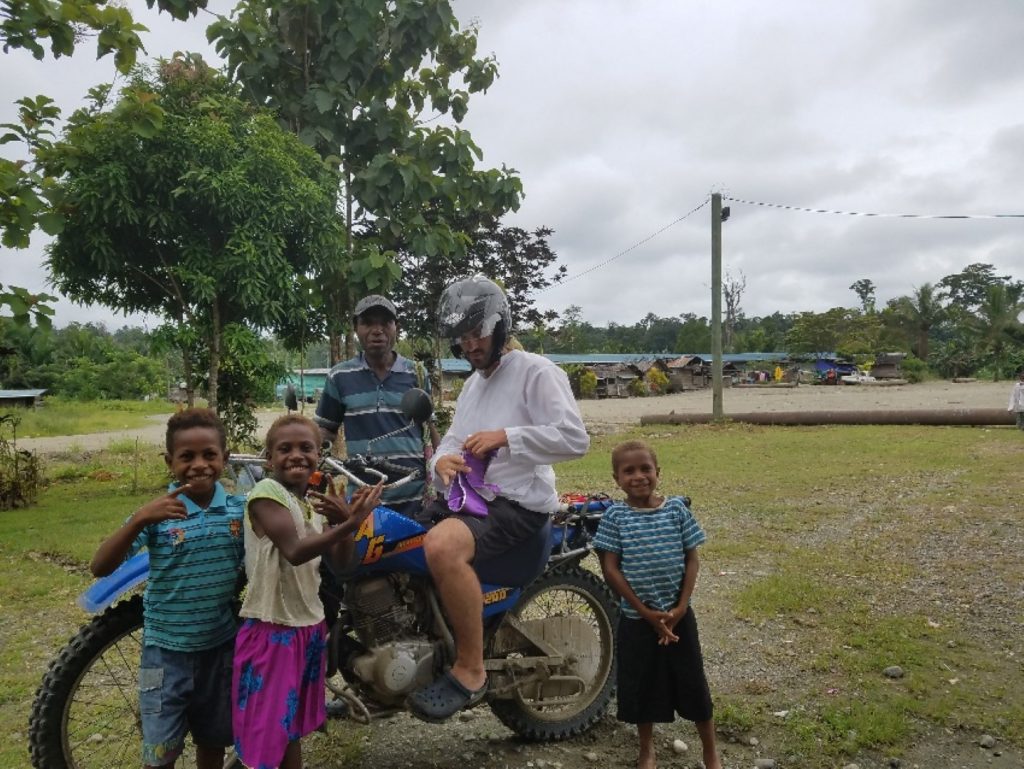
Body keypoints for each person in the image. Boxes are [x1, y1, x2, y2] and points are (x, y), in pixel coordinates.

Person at [406, 275, 589, 722]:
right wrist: (442, 463)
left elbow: (574, 438)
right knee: (394, 537)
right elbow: (453, 439)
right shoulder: (473, 385)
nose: (470, 345)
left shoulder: (536, 372)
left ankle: (471, 669)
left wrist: (507, 437)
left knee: (441, 546)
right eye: (462, 337)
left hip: (517, 505)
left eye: (477, 333)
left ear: (500, 325)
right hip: (472, 499)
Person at [89, 408, 245, 769]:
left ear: (225, 458)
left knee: (213, 741)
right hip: (164, 654)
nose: (199, 465)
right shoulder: (157, 514)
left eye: (209, 454)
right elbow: (100, 566)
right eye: (186, 456)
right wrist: (140, 519)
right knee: (159, 753)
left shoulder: (239, 511)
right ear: (169, 462)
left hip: (219, 650)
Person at [231, 413, 382, 769]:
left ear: (319, 455)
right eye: (285, 449)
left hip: (308, 627)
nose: (296, 455)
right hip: (273, 629)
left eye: (306, 448)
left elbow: (341, 562)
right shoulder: (266, 494)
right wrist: (353, 520)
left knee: (290, 728)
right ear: (269, 459)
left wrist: (342, 522)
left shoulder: (313, 505)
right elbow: (295, 551)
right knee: (267, 733)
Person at [594, 440, 721, 769]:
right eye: (629, 471)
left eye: (645, 469)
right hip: (637, 619)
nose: (638, 476)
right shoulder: (615, 517)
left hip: (679, 617)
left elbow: (692, 559)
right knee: (641, 685)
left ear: (658, 472)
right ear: (616, 479)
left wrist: (681, 607)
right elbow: (611, 568)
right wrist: (645, 613)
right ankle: (646, 749)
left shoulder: (676, 510)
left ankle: (710, 751)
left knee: (693, 681)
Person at [315, 294, 439, 521]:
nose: (377, 330)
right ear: (356, 328)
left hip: (415, 499)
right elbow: (325, 430)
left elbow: (429, 430)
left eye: (385, 323)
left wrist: (441, 469)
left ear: (396, 327)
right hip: (364, 499)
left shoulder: (417, 373)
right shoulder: (340, 376)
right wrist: (306, 453)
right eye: (368, 323)